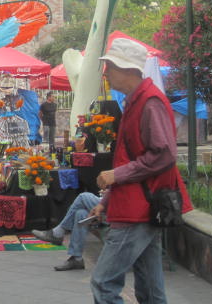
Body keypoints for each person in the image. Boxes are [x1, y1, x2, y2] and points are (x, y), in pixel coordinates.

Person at [89, 38, 192, 303]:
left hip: (139, 207)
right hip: (139, 203)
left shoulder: (150, 102)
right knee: (149, 286)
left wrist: (116, 177)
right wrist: (107, 200)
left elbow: (164, 154)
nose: (106, 73)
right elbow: (130, 158)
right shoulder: (138, 101)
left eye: (109, 67)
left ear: (127, 69)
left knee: (104, 283)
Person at [32, 191, 101, 271]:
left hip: (115, 206)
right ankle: (77, 259)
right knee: (80, 213)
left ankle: (58, 232)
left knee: (83, 196)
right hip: (110, 200)